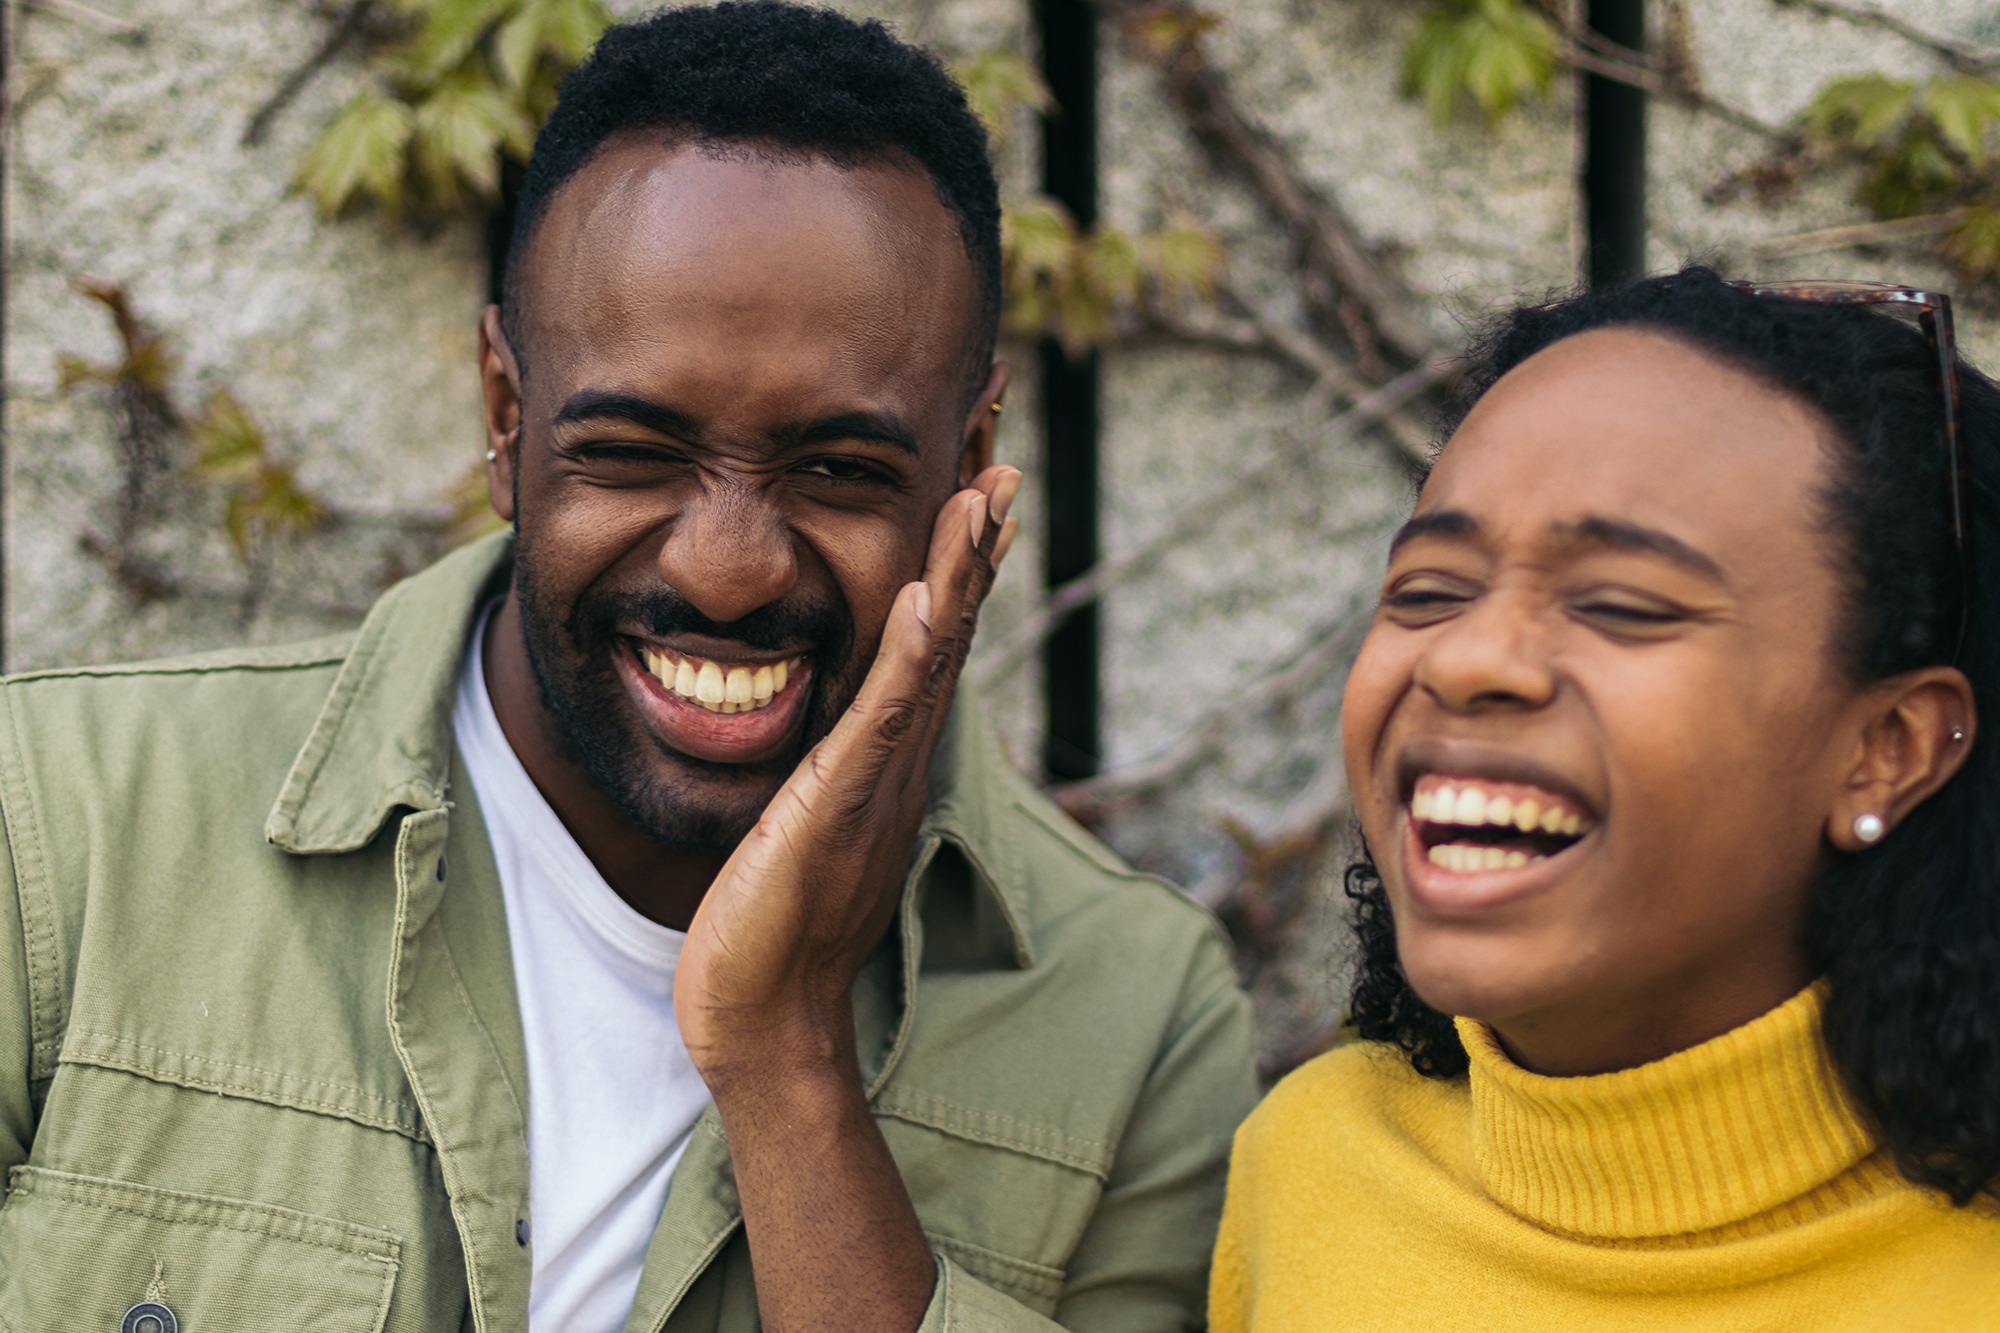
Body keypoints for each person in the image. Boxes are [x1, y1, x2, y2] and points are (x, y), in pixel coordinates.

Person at [0, 6, 1258, 1331]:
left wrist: (786, 1063)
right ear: (505, 416)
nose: (727, 571)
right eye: (636, 452)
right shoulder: (63, 839)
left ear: (970, 458)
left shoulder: (1133, 1024)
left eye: (839, 469)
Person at [1211, 266, 2000, 1330]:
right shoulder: (1312, 1165)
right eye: (1428, 590)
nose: (1466, 658)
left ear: (1884, 751)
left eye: (1620, 604)